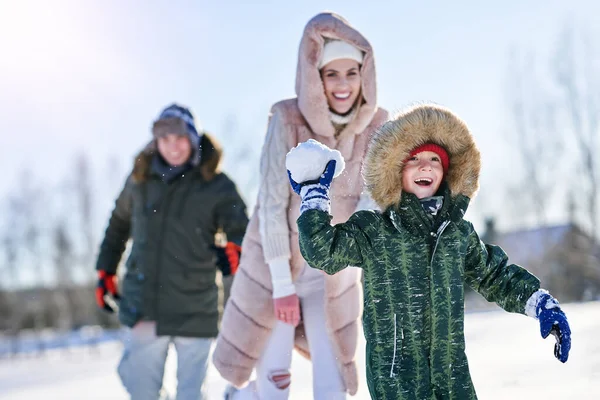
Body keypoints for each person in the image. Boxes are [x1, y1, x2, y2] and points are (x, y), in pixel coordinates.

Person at [287, 103, 572, 400]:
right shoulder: (375, 230)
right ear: (396, 170)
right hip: (397, 381)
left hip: (452, 379)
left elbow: (495, 276)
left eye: (435, 158)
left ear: (448, 171)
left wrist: (539, 303)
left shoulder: (458, 235)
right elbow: (324, 252)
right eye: (414, 159)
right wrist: (314, 198)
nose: (426, 165)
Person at [212, 11, 388, 400]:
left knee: (332, 385)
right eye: (331, 74)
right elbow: (272, 203)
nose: (342, 84)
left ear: (365, 75)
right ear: (315, 76)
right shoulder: (287, 119)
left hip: (332, 277)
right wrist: (280, 286)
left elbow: (372, 201)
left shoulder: (378, 128)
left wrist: (347, 250)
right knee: (275, 384)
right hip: (277, 271)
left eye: (351, 73)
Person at [95, 103, 249, 400]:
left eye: (179, 138)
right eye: (164, 139)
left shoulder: (215, 183)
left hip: (195, 302)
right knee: (140, 387)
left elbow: (241, 227)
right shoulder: (138, 181)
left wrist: (234, 250)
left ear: (192, 139)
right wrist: (106, 271)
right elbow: (117, 225)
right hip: (145, 303)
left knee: (191, 394)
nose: (172, 146)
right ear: (156, 141)